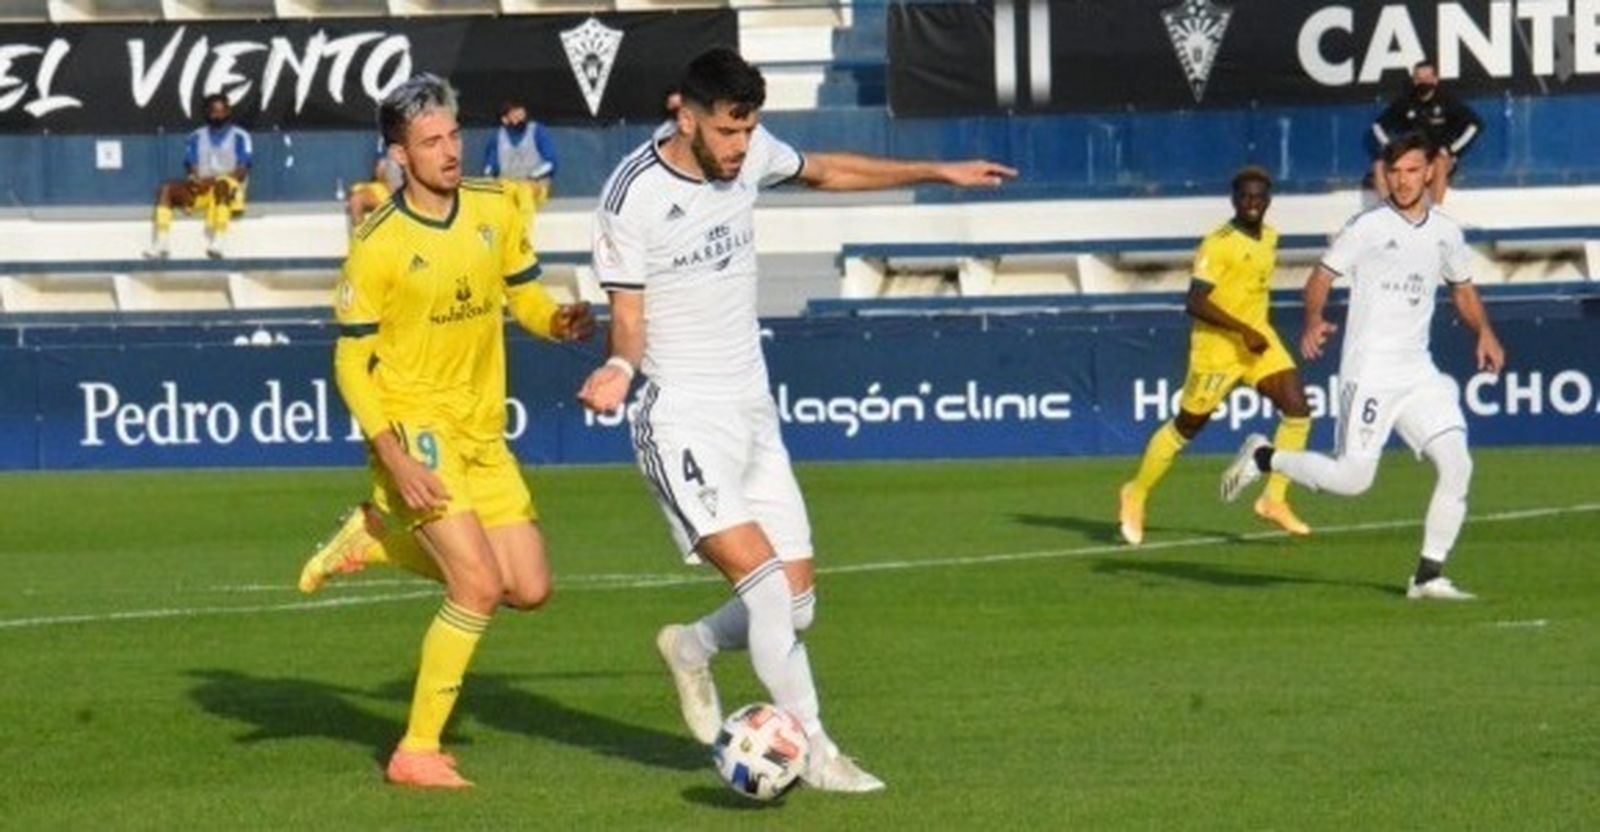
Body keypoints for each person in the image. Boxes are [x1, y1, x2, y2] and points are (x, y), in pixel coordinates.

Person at [576, 47, 1016, 793]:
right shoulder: (632, 195)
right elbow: (628, 316)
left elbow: (827, 170)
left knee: (799, 604)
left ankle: (692, 644)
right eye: (726, 133)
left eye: (748, 134)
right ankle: (816, 752)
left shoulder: (747, 156)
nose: (740, 150)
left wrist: (937, 173)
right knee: (770, 592)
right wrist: (619, 368)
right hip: (681, 419)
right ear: (684, 114)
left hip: (754, 412)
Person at [298, 73, 594, 789]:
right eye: (430, 141)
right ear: (399, 154)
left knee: (527, 587)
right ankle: (416, 750)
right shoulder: (377, 244)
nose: (449, 150)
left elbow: (519, 291)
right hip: (414, 423)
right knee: (475, 585)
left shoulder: (499, 204)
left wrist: (553, 320)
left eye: (454, 135)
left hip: (482, 430)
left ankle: (380, 537)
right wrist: (390, 453)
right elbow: (351, 362)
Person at [1221, 132, 1505, 601]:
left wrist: (1485, 332)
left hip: (1418, 373)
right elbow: (1320, 277)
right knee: (1353, 481)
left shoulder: (1446, 232)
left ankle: (1427, 576)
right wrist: (1313, 318)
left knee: (1457, 466)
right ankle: (1263, 457)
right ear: (1385, 175)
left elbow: (1462, 289)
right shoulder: (1367, 227)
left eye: (1412, 170)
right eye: (1394, 172)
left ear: (1430, 171)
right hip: (1370, 372)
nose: (1403, 180)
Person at [1118, 166, 1314, 546]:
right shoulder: (1217, 243)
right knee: (1186, 427)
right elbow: (1194, 301)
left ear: (1269, 199)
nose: (1252, 203)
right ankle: (1136, 493)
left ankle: (1273, 499)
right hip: (1218, 349)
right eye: (1245, 197)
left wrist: (1254, 331)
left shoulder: (1271, 237)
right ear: (1234, 200)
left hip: (1259, 341)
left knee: (1298, 409)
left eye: (1259, 197)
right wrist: (1242, 330)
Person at [145, 93, 251, 260]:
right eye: (213, 111)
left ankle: (219, 241)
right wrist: (195, 179)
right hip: (203, 187)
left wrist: (212, 180)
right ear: (207, 113)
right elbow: (193, 167)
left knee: (222, 184)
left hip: (229, 189)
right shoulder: (195, 137)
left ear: (228, 111)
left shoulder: (241, 136)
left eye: (221, 111)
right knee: (166, 190)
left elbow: (241, 172)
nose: (218, 115)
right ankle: (162, 243)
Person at [1370, 61, 1481, 205]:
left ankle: (1436, 211)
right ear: (1414, 80)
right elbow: (1377, 126)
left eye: (1427, 78)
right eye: (1419, 79)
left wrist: (1452, 150)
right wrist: (1391, 147)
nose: (1423, 82)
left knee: (1439, 162)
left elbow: (1475, 125)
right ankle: (1387, 211)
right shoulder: (1405, 102)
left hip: (1439, 156)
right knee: (1379, 165)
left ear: (1435, 79)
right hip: (1412, 155)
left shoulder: (1447, 101)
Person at [483, 100, 557, 231]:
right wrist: (489, 181)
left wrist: (531, 177)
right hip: (508, 185)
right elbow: (489, 167)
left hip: (536, 185)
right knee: (494, 197)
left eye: (522, 113)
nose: (521, 116)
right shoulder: (497, 137)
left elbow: (551, 163)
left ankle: (523, 238)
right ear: (505, 119)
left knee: (524, 193)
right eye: (515, 114)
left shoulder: (537, 131)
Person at [346, 136, 406, 228]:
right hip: (385, 188)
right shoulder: (384, 139)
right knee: (356, 200)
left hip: (407, 192)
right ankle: (360, 239)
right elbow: (379, 169)